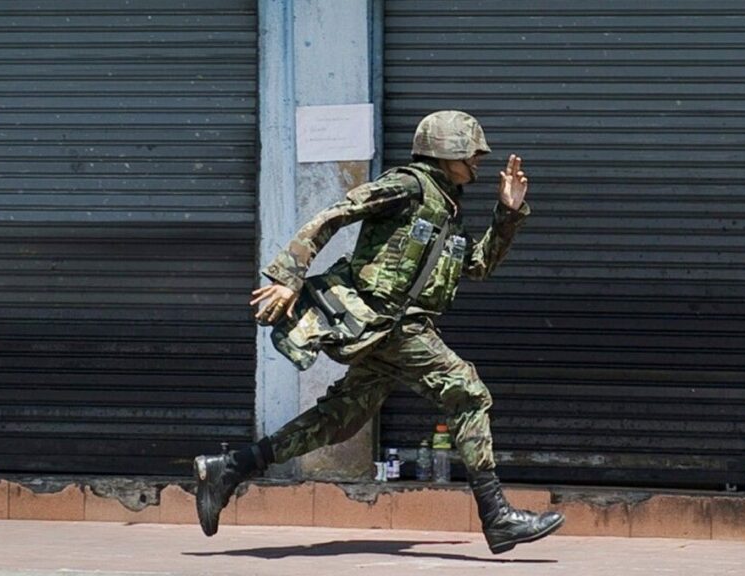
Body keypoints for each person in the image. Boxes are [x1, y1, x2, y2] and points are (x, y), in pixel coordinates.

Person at [193, 110, 565, 554]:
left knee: (339, 419)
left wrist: (507, 213)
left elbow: (478, 265)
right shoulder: (408, 186)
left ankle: (230, 467)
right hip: (391, 323)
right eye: (472, 154)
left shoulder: (446, 206)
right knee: (469, 393)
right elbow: (338, 212)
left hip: (387, 330)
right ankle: (497, 516)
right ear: (447, 151)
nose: (478, 164)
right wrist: (288, 275)